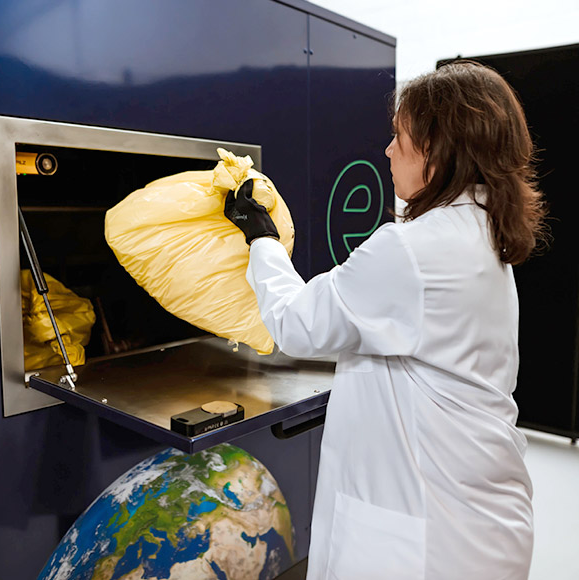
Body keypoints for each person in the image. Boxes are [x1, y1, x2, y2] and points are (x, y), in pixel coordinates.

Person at [224, 61, 548, 580]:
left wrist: (260, 237)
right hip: (485, 518)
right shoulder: (483, 233)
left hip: (425, 539)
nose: (388, 150)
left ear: (438, 151)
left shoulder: (412, 251)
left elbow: (296, 323)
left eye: (400, 136)